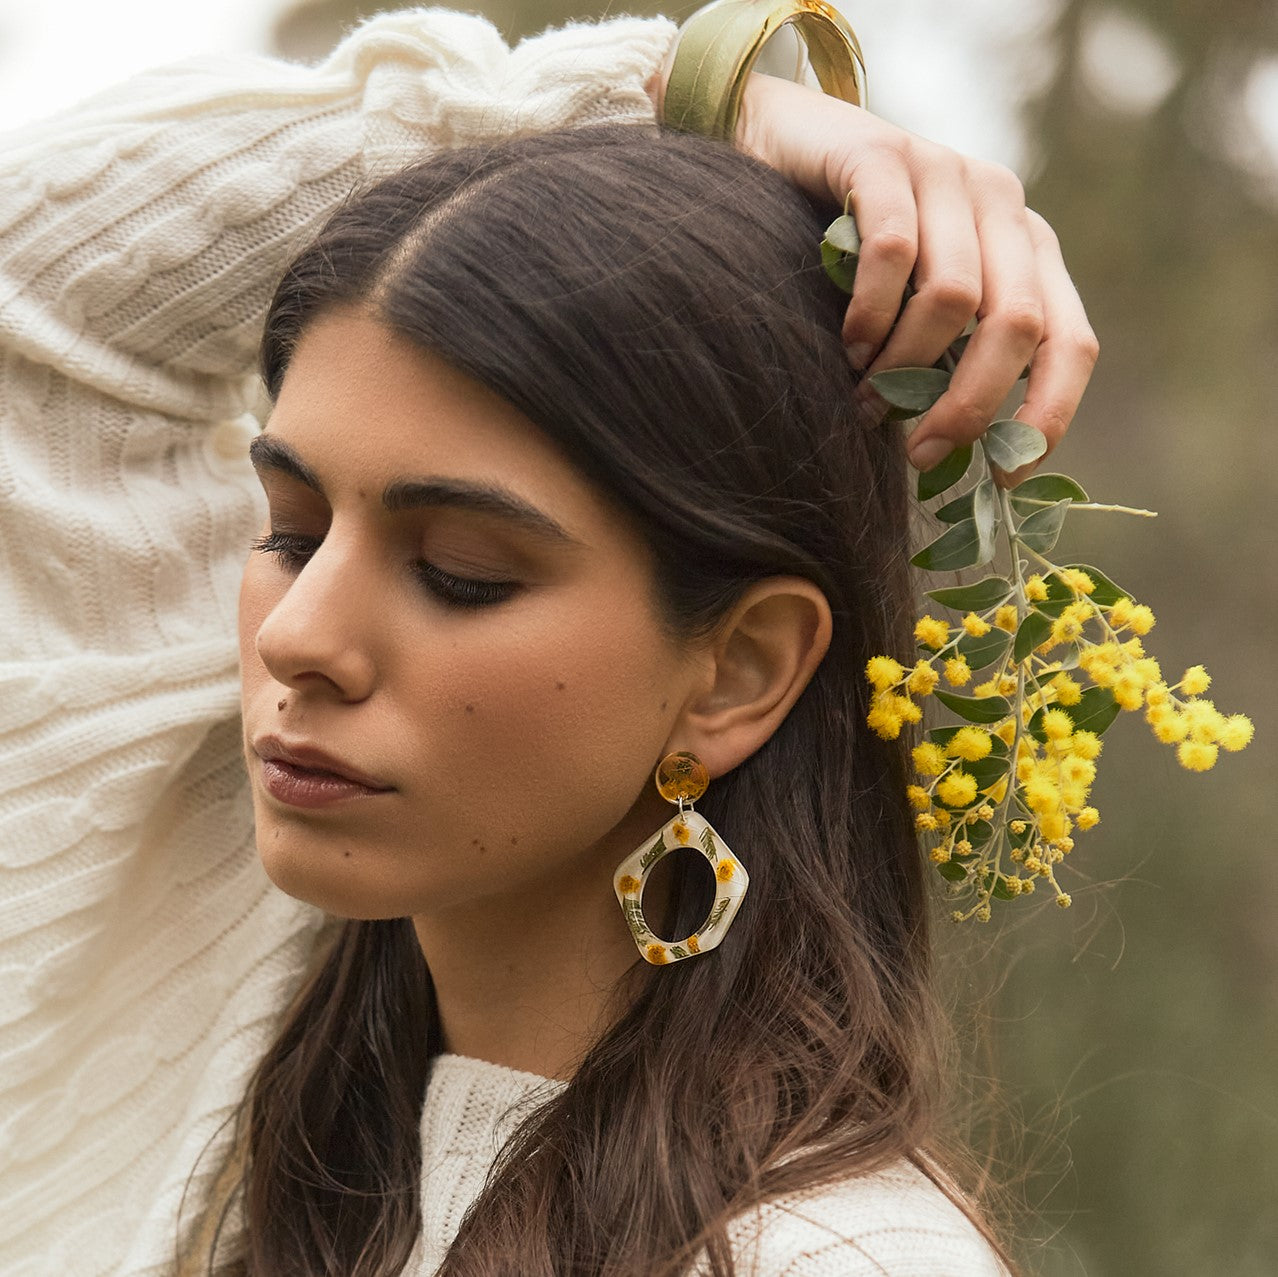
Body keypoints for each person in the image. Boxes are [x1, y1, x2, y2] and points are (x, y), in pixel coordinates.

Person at [0, 8, 1095, 1275]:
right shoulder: (255, 1089)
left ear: (735, 672)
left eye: (459, 573)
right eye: (292, 531)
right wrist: (664, 119)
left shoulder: (831, 1258)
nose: (299, 638)